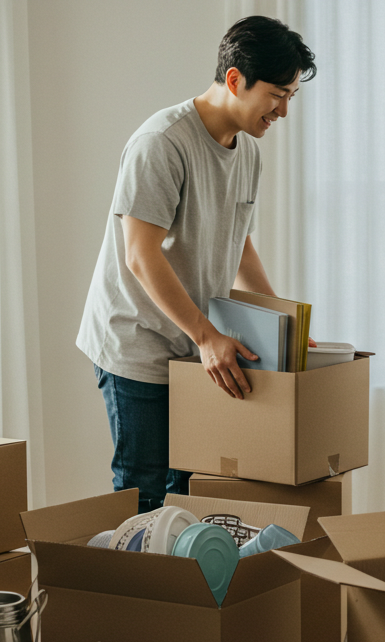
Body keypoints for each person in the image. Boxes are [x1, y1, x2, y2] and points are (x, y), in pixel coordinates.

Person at [76, 16, 316, 514]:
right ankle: (137, 593)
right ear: (234, 79)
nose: (285, 111)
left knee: (189, 492)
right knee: (146, 491)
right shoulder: (161, 143)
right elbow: (140, 255)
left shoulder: (248, 153)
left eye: (291, 96)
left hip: (193, 344)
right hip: (137, 344)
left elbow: (238, 243)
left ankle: (181, 591)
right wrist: (207, 337)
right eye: (278, 94)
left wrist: (283, 319)